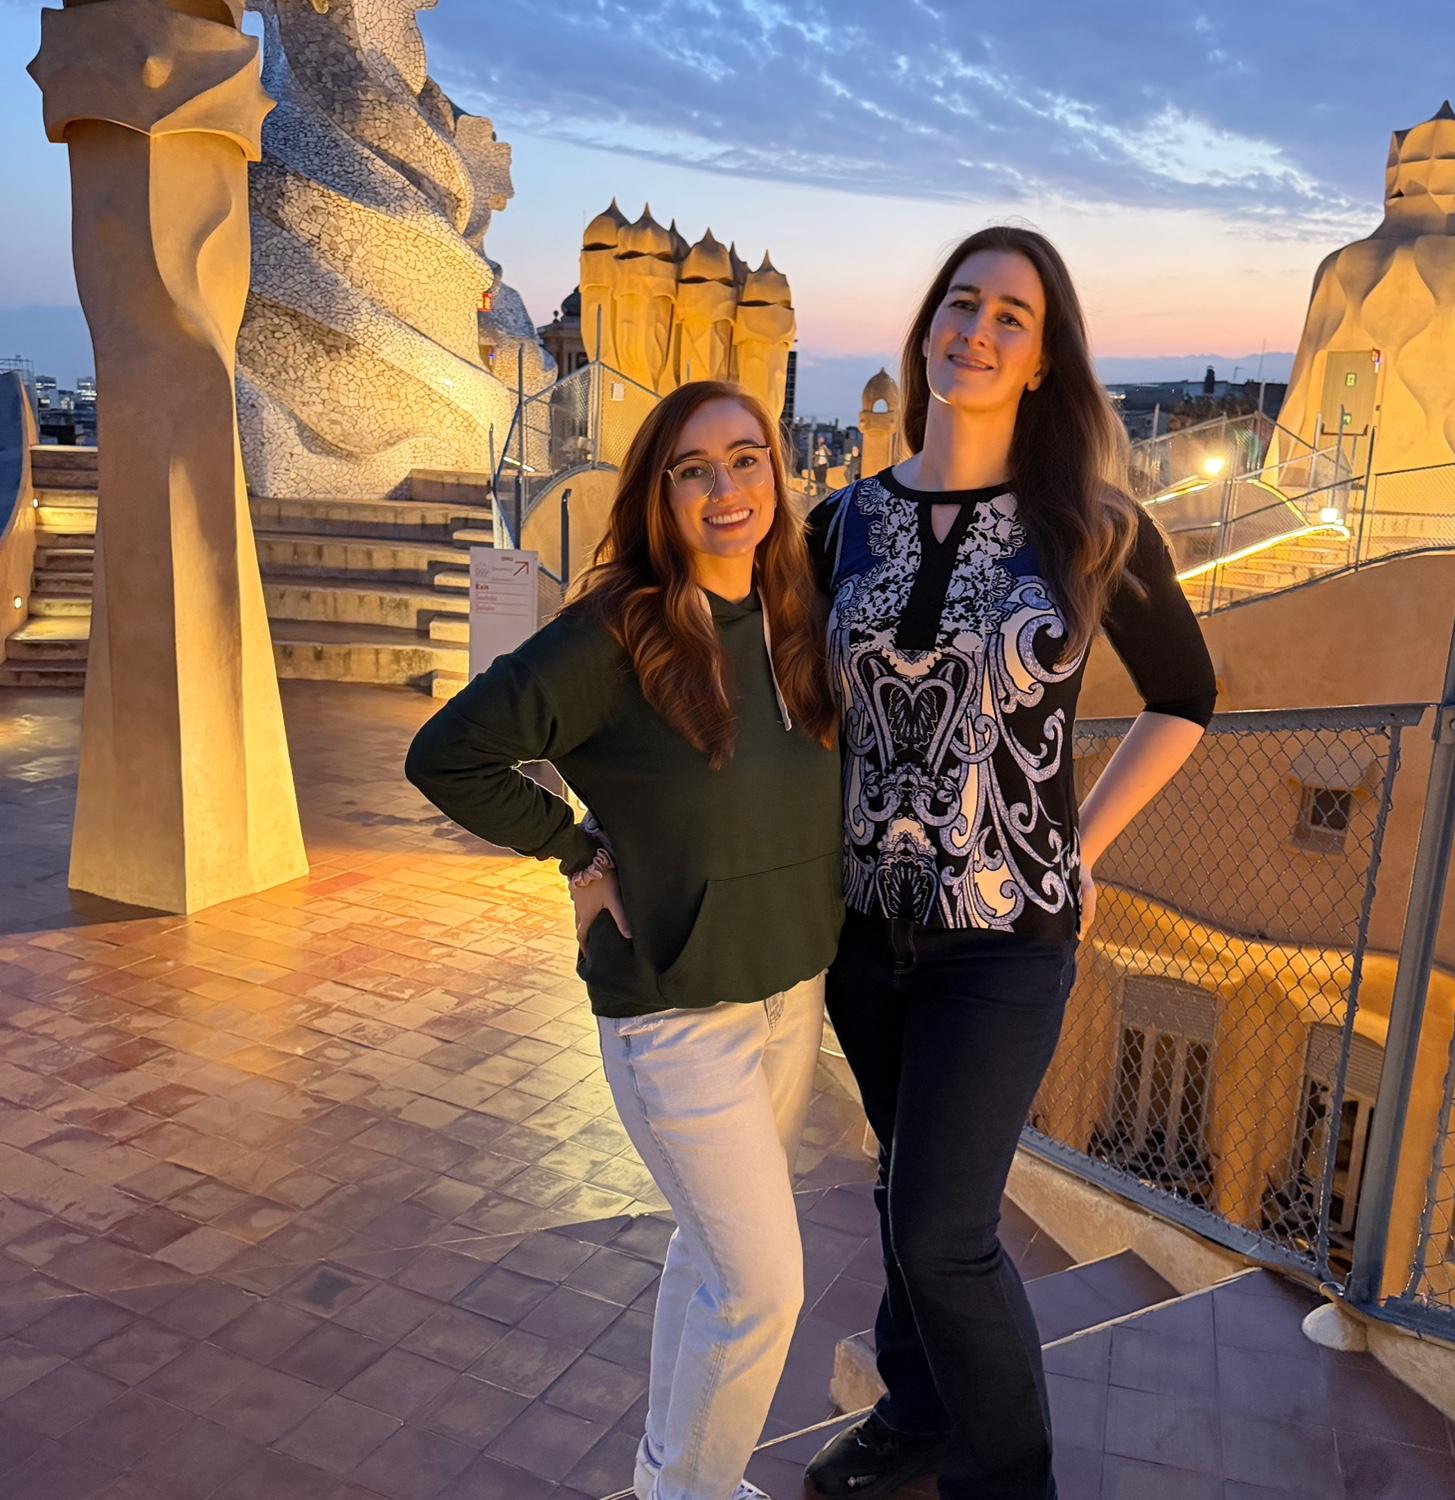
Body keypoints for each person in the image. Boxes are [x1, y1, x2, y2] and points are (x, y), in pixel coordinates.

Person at [802, 226, 1217, 1500]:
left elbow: (1187, 696)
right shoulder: (839, 524)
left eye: (1012, 320)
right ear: (927, 328)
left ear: (1042, 362)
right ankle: (916, 1414)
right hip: (861, 935)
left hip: (1009, 937)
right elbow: (793, 710)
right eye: (961, 305)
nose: (977, 332)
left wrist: (1080, 844)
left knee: (944, 1231)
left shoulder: (1089, 527)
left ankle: (1008, 1477)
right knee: (895, 1194)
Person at [405, 381, 843, 1500]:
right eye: (692, 469)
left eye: (746, 460)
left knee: (710, 1258)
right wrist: (573, 849)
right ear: (658, 494)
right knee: (763, 1288)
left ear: (777, 476)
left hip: (790, 994)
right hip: (674, 1017)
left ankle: (670, 1476)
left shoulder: (798, 615)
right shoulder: (619, 631)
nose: (725, 488)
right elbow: (449, 752)